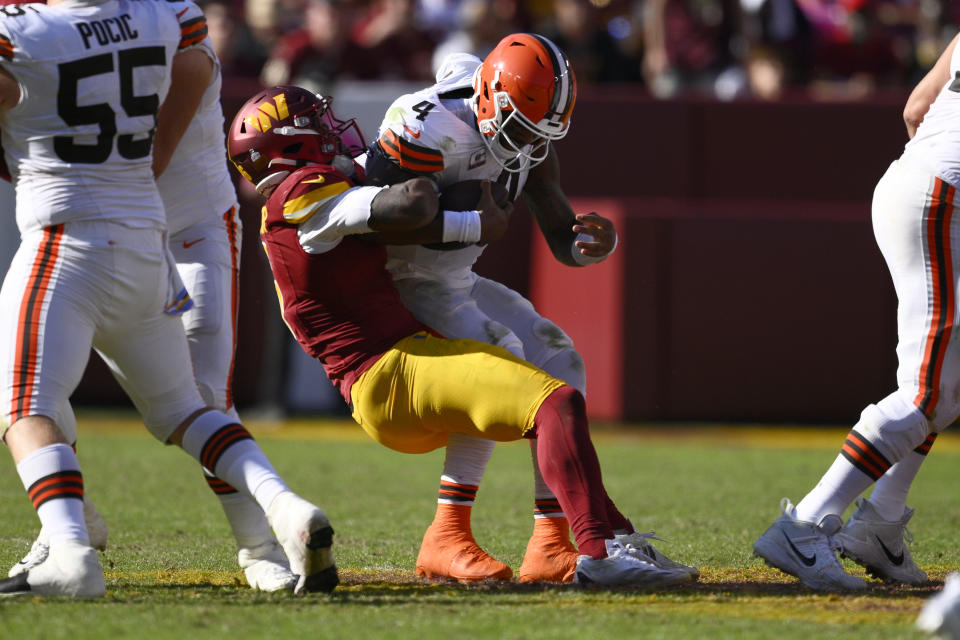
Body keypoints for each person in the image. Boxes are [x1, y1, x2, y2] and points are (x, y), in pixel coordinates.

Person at [227, 84, 697, 588]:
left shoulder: (314, 184)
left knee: (531, 373)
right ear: (291, 144)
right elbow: (408, 204)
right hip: (386, 378)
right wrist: (473, 220)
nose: (334, 130)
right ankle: (602, 550)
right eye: (317, 125)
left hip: (407, 355)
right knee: (554, 404)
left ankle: (498, 540)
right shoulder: (299, 193)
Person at [0, 0, 334, 598]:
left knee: (36, 391)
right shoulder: (152, 16)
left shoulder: (145, 24)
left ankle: (257, 544)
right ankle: (70, 529)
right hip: (132, 224)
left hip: (170, 220)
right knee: (167, 403)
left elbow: (145, 150)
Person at [362, 35, 698, 583]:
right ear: (489, 96)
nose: (525, 143)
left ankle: (551, 542)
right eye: (519, 127)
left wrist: (589, 243)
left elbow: (559, 229)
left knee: (560, 358)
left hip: (454, 279)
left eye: (539, 133)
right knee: (504, 358)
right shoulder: (428, 126)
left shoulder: (530, 133)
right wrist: (466, 222)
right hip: (400, 281)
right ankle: (448, 532)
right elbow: (372, 218)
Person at [752, 32, 960, 592]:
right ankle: (803, 525)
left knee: (947, 385)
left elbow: (917, 107)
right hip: (941, 201)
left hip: (923, 186)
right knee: (925, 394)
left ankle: (881, 524)